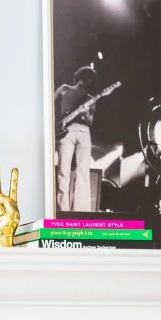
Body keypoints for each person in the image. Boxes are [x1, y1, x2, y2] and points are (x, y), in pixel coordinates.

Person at [54, 66, 97, 213]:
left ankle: (81, 211)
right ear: (80, 77)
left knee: (83, 172)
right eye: (86, 78)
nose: (88, 82)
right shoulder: (64, 89)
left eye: (90, 80)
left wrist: (85, 114)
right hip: (67, 131)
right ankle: (62, 210)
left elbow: (90, 121)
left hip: (84, 131)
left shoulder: (91, 99)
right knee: (63, 170)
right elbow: (50, 107)